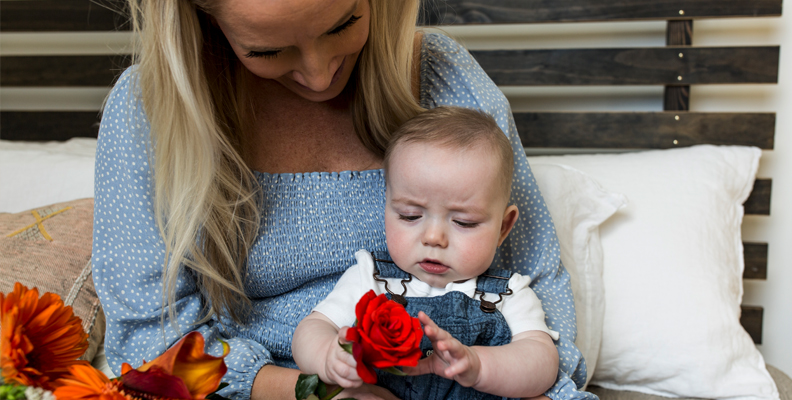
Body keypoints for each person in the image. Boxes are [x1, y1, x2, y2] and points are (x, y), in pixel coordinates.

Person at [91, 0, 596, 399]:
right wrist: (321, 392)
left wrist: (503, 380)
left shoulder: (444, 78)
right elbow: (149, 345)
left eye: (342, 24)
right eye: (267, 50)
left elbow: (539, 289)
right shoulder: (151, 111)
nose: (318, 75)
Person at [293, 106, 560, 400]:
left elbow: (542, 362)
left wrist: (480, 366)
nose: (433, 238)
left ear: (503, 228)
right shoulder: (369, 278)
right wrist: (328, 357)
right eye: (409, 216)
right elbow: (312, 328)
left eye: (463, 222)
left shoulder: (507, 294)